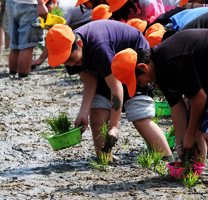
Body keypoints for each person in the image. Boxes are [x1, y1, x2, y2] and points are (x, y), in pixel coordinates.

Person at [111, 29, 208, 181]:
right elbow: (176, 105)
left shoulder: (170, 62)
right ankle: (196, 172)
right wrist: (181, 145)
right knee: (199, 126)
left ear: (143, 67)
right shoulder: (160, 73)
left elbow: (199, 98)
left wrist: (189, 136)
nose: (141, 85)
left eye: (138, 81)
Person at [46, 20, 174, 161]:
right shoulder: (69, 53)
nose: (70, 64)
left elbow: (116, 86)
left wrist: (114, 126)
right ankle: (105, 160)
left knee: (139, 114)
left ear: (80, 44)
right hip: (106, 69)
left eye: (71, 59)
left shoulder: (98, 46)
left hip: (132, 61)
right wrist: (83, 113)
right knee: (96, 114)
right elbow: (90, 81)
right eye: (65, 62)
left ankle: (168, 160)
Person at [31, 0, 92, 68]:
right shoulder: (61, 3)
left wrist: (40, 59)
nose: (46, 12)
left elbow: (57, 38)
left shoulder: (63, 10)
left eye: (47, 7)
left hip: (92, 19)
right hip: (81, 22)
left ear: (53, 1)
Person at [5, 0, 47, 77]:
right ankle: (22, 79)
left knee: (15, 45)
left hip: (11, 3)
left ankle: (12, 75)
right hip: (29, 5)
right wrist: (41, 3)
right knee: (27, 46)